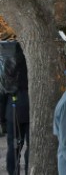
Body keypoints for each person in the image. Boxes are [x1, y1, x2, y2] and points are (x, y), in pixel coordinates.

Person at [3, 42, 28, 174]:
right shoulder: (29, 63)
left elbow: (6, 89)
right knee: (31, 146)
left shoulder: (9, 62)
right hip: (29, 107)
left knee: (13, 146)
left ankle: (13, 171)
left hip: (13, 108)